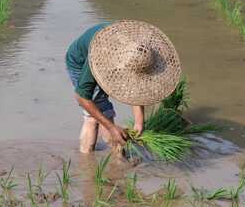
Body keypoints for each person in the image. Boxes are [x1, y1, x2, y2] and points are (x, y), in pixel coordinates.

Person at [65, 20, 181, 160]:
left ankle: (116, 154)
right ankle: (88, 162)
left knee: (103, 112)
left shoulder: (137, 48)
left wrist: (139, 122)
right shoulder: (99, 55)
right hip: (79, 61)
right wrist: (111, 127)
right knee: (93, 117)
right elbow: (82, 97)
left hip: (107, 56)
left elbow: (134, 87)